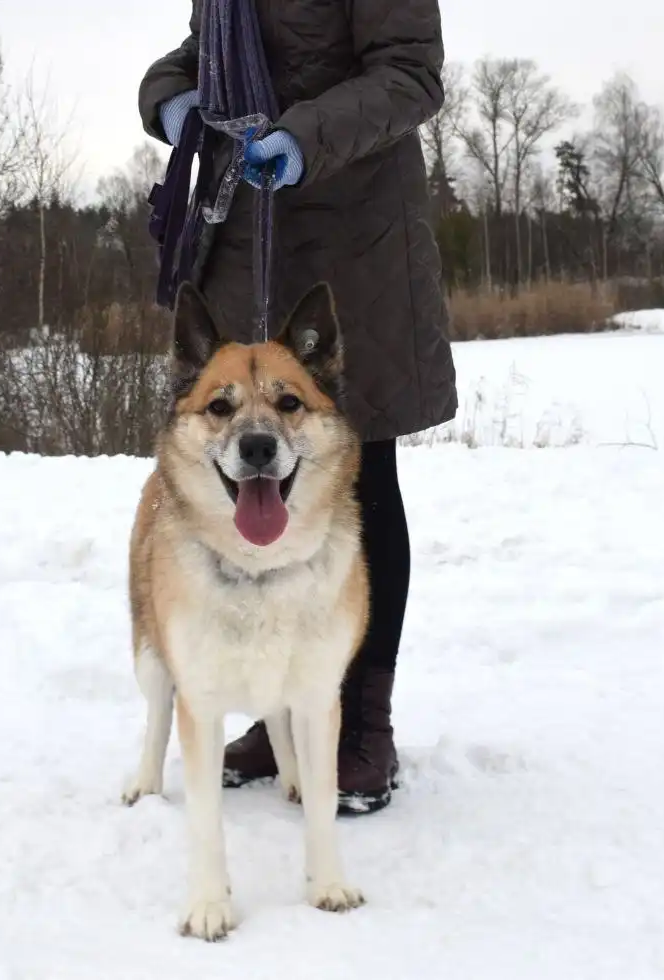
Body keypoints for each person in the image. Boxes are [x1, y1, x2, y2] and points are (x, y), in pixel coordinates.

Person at [137, 0, 457, 814]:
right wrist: (168, 98)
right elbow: (199, 57)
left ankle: (361, 724)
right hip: (247, 241)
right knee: (251, 496)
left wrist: (302, 139)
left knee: (360, 482)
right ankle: (284, 710)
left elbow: (410, 75)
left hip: (355, 250)